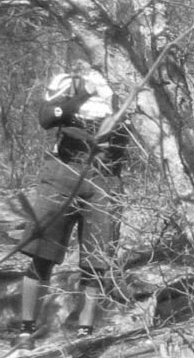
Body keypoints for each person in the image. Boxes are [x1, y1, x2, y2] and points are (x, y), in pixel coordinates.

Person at [15, 60, 131, 340]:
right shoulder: (69, 82)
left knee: (97, 261)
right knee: (41, 252)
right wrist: (86, 92)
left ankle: (84, 333)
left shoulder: (127, 84)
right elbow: (46, 119)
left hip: (106, 179)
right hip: (62, 173)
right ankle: (26, 332)